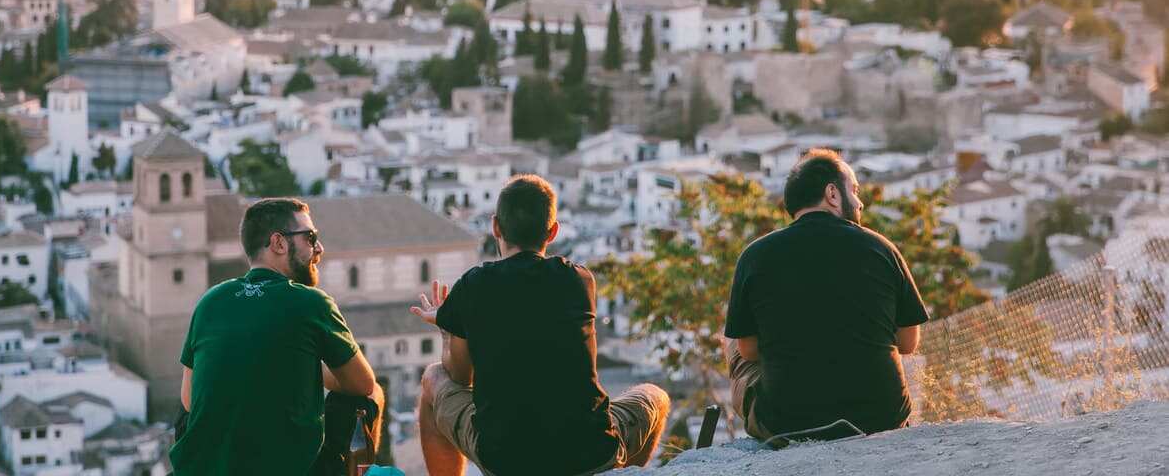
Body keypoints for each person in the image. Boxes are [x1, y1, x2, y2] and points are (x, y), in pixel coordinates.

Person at [413, 174, 669, 476]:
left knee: (433, 377)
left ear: (496, 227)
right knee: (656, 397)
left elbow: (459, 376)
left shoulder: (474, 286)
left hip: (505, 460)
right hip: (592, 452)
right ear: (553, 232)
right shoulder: (579, 280)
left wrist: (448, 330)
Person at [723, 149, 929, 442]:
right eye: (854, 190)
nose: (860, 202)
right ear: (832, 194)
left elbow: (749, 351)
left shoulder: (754, 256)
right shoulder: (881, 248)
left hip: (787, 424)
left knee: (734, 341)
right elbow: (908, 343)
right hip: (882, 418)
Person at [170, 197, 384, 475]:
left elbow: (189, 399)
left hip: (202, 467)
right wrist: (307, 368)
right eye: (310, 237)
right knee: (373, 393)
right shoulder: (311, 303)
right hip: (290, 469)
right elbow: (362, 384)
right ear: (279, 243)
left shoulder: (210, 301)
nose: (319, 248)